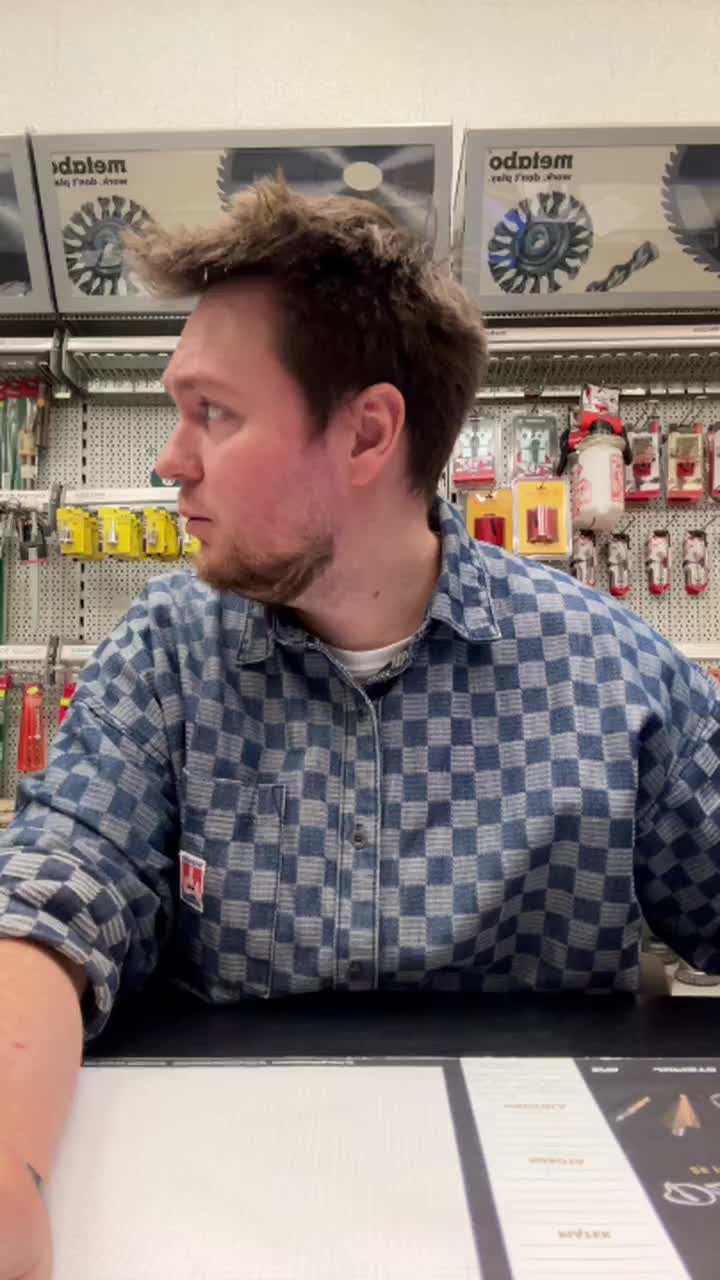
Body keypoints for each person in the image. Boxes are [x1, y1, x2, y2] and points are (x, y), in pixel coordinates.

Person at [1, 176, 720, 1275]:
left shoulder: (610, 680)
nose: (170, 459)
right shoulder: (169, 658)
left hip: (548, 1223)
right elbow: (54, 899)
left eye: (213, 413)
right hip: (239, 1212)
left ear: (368, 433)